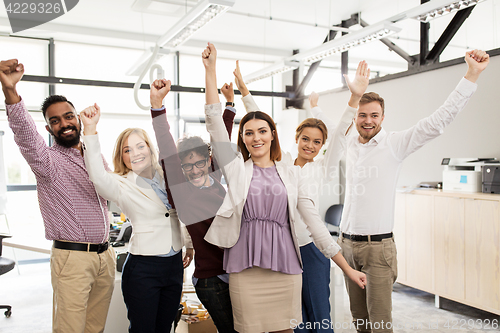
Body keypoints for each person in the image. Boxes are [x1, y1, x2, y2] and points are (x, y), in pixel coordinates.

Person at [202, 42, 366, 333]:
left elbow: (315, 224)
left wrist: (347, 268)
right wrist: (212, 71)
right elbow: (218, 123)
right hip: (246, 266)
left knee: (308, 322)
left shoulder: (291, 173)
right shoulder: (238, 169)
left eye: (263, 132)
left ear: (272, 135)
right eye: (249, 133)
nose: (256, 137)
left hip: (288, 262)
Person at [334, 49, 489, 333]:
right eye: (362, 115)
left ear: (383, 117)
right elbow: (336, 133)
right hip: (346, 246)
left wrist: (471, 75)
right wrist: (354, 96)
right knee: (360, 322)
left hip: (377, 249)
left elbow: (438, 121)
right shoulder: (349, 144)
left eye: (374, 115)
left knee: (380, 325)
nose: (368, 120)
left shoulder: (395, 144)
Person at [0, 59, 116, 333]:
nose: (63, 124)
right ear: (48, 129)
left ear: (77, 118)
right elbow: (25, 134)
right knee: (70, 329)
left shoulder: (94, 154)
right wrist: (10, 92)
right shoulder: (47, 161)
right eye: (54, 121)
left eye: (68, 116)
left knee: (95, 328)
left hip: (105, 255)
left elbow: (113, 189)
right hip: (73, 259)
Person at [80, 103, 189, 333]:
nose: (136, 153)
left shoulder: (166, 174)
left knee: (165, 327)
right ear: (122, 156)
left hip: (174, 264)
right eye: (128, 150)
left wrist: (189, 245)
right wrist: (90, 130)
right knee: (142, 330)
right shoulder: (120, 183)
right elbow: (97, 177)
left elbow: (185, 211)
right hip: (144, 267)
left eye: (141, 146)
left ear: (150, 148)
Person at [149, 78, 237, 333]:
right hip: (211, 278)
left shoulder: (215, 178)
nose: (195, 170)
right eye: (187, 165)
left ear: (208, 161)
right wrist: (157, 105)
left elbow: (222, 136)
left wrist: (229, 104)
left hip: (236, 271)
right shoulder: (182, 192)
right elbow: (166, 145)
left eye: (200, 163)